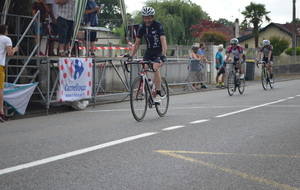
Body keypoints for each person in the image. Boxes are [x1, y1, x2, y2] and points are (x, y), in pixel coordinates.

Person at [127, 7, 167, 103]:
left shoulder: (158, 25)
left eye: (149, 18)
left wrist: (163, 54)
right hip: (149, 51)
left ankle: (158, 94)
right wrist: (131, 56)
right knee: (143, 67)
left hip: (158, 51)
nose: (147, 20)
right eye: (145, 18)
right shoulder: (142, 28)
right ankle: (148, 83)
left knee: (155, 67)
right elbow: (136, 44)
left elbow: (163, 41)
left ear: (152, 17)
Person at [0, 25, 19, 122]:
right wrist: (15, 49)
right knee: (1, 90)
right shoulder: (7, 39)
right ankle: (1, 111)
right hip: (0, 65)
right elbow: (10, 53)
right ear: (6, 31)